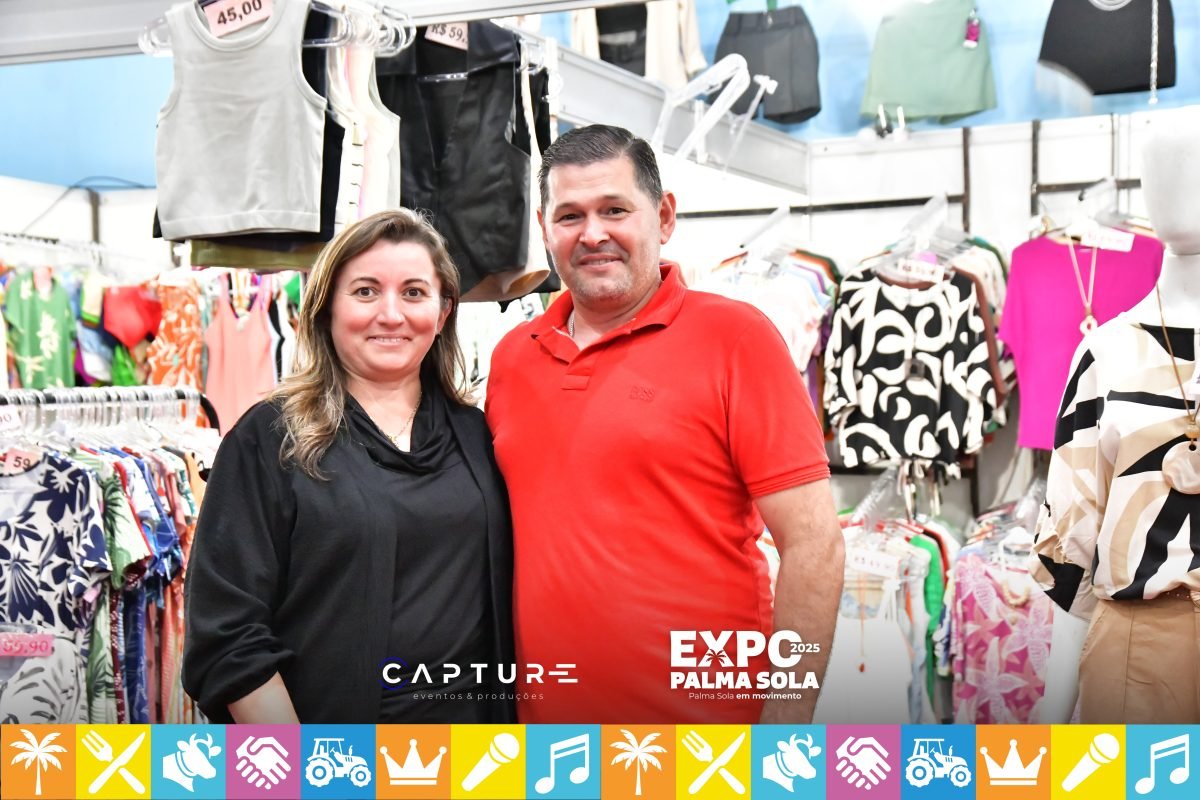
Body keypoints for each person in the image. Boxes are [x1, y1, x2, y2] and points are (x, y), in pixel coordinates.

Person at [485, 124, 844, 724]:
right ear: (545, 229)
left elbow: (813, 543)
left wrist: (787, 718)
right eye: (570, 216)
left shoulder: (737, 339)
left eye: (614, 209)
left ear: (664, 217)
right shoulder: (513, 357)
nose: (592, 233)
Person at [183, 209, 514, 724]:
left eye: (414, 292)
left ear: (443, 312)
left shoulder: (477, 434)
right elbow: (227, 633)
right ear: (326, 308)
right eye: (365, 292)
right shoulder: (269, 439)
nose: (390, 314)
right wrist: (302, 763)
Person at [1033, 113, 1200, 724]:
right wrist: (1053, 711)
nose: (1177, 180)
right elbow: (1071, 544)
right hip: (1136, 647)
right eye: (1160, 165)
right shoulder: (1104, 353)